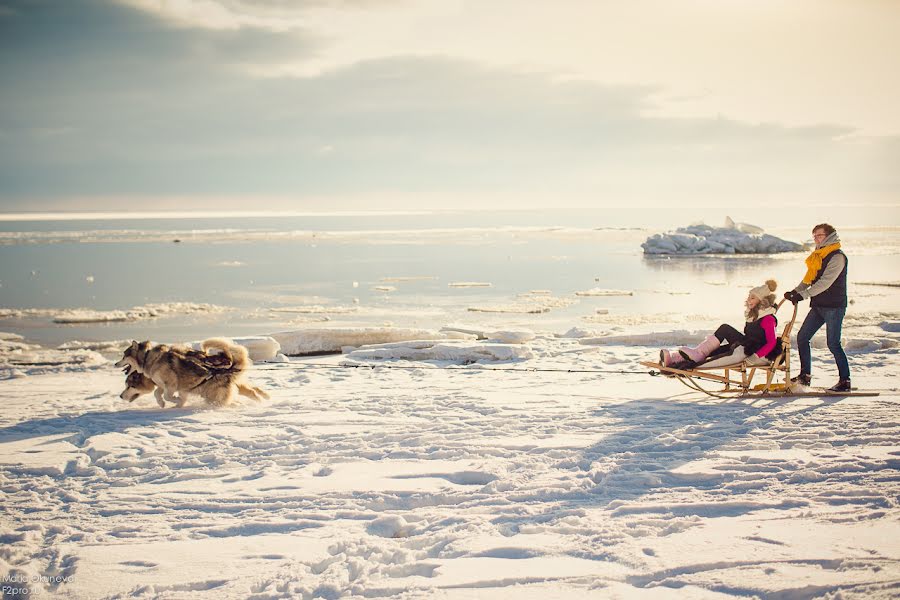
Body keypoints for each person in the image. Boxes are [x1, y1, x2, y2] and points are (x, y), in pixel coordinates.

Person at [783, 223, 850, 392]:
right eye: (814, 236)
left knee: (833, 343)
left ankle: (845, 380)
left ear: (829, 236)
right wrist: (794, 291)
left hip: (834, 307)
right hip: (819, 306)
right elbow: (809, 279)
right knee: (802, 337)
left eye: (819, 235)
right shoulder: (817, 256)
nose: (816, 239)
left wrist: (803, 295)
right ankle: (805, 376)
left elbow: (825, 282)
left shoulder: (837, 257)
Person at [659, 280, 781, 370]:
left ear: (762, 301)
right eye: (749, 296)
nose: (749, 300)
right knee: (718, 342)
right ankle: (677, 359)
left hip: (755, 350)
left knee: (724, 332)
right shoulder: (755, 315)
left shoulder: (768, 318)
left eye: (753, 298)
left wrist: (755, 357)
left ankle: (695, 355)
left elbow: (772, 342)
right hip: (748, 344)